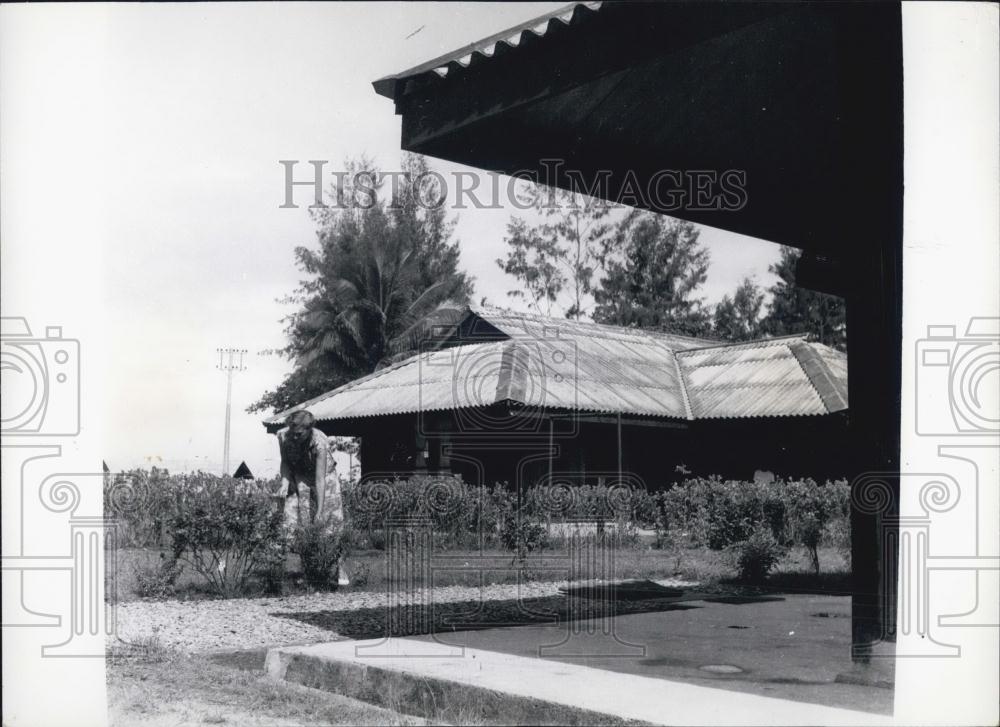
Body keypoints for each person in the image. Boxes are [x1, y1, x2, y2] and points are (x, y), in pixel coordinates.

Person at [277, 409, 349, 585]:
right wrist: (285, 483)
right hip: (300, 475)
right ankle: (307, 570)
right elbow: (285, 461)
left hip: (325, 478)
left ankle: (340, 567)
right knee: (301, 522)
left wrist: (320, 509)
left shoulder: (319, 441)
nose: (295, 437)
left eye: (299, 434)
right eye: (293, 433)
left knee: (331, 522)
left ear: (309, 430)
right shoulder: (283, 436)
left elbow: (320, 479)